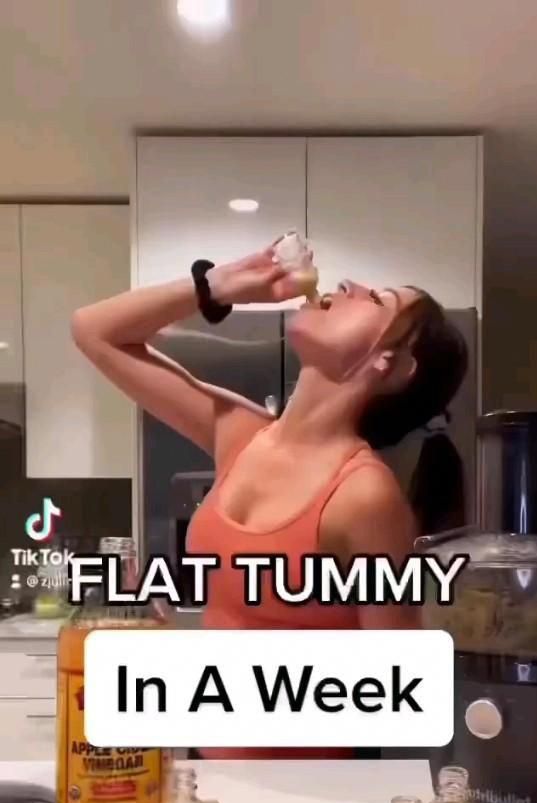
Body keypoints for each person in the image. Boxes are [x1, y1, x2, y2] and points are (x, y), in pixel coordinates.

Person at [72, 245, 467, 758]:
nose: (348, 284)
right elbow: (93, 330)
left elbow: (399, 692)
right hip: (209, 777)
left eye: (378, 299)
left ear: (391, 365)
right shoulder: (240, 435)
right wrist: (216, 286)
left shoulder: (363, 496)